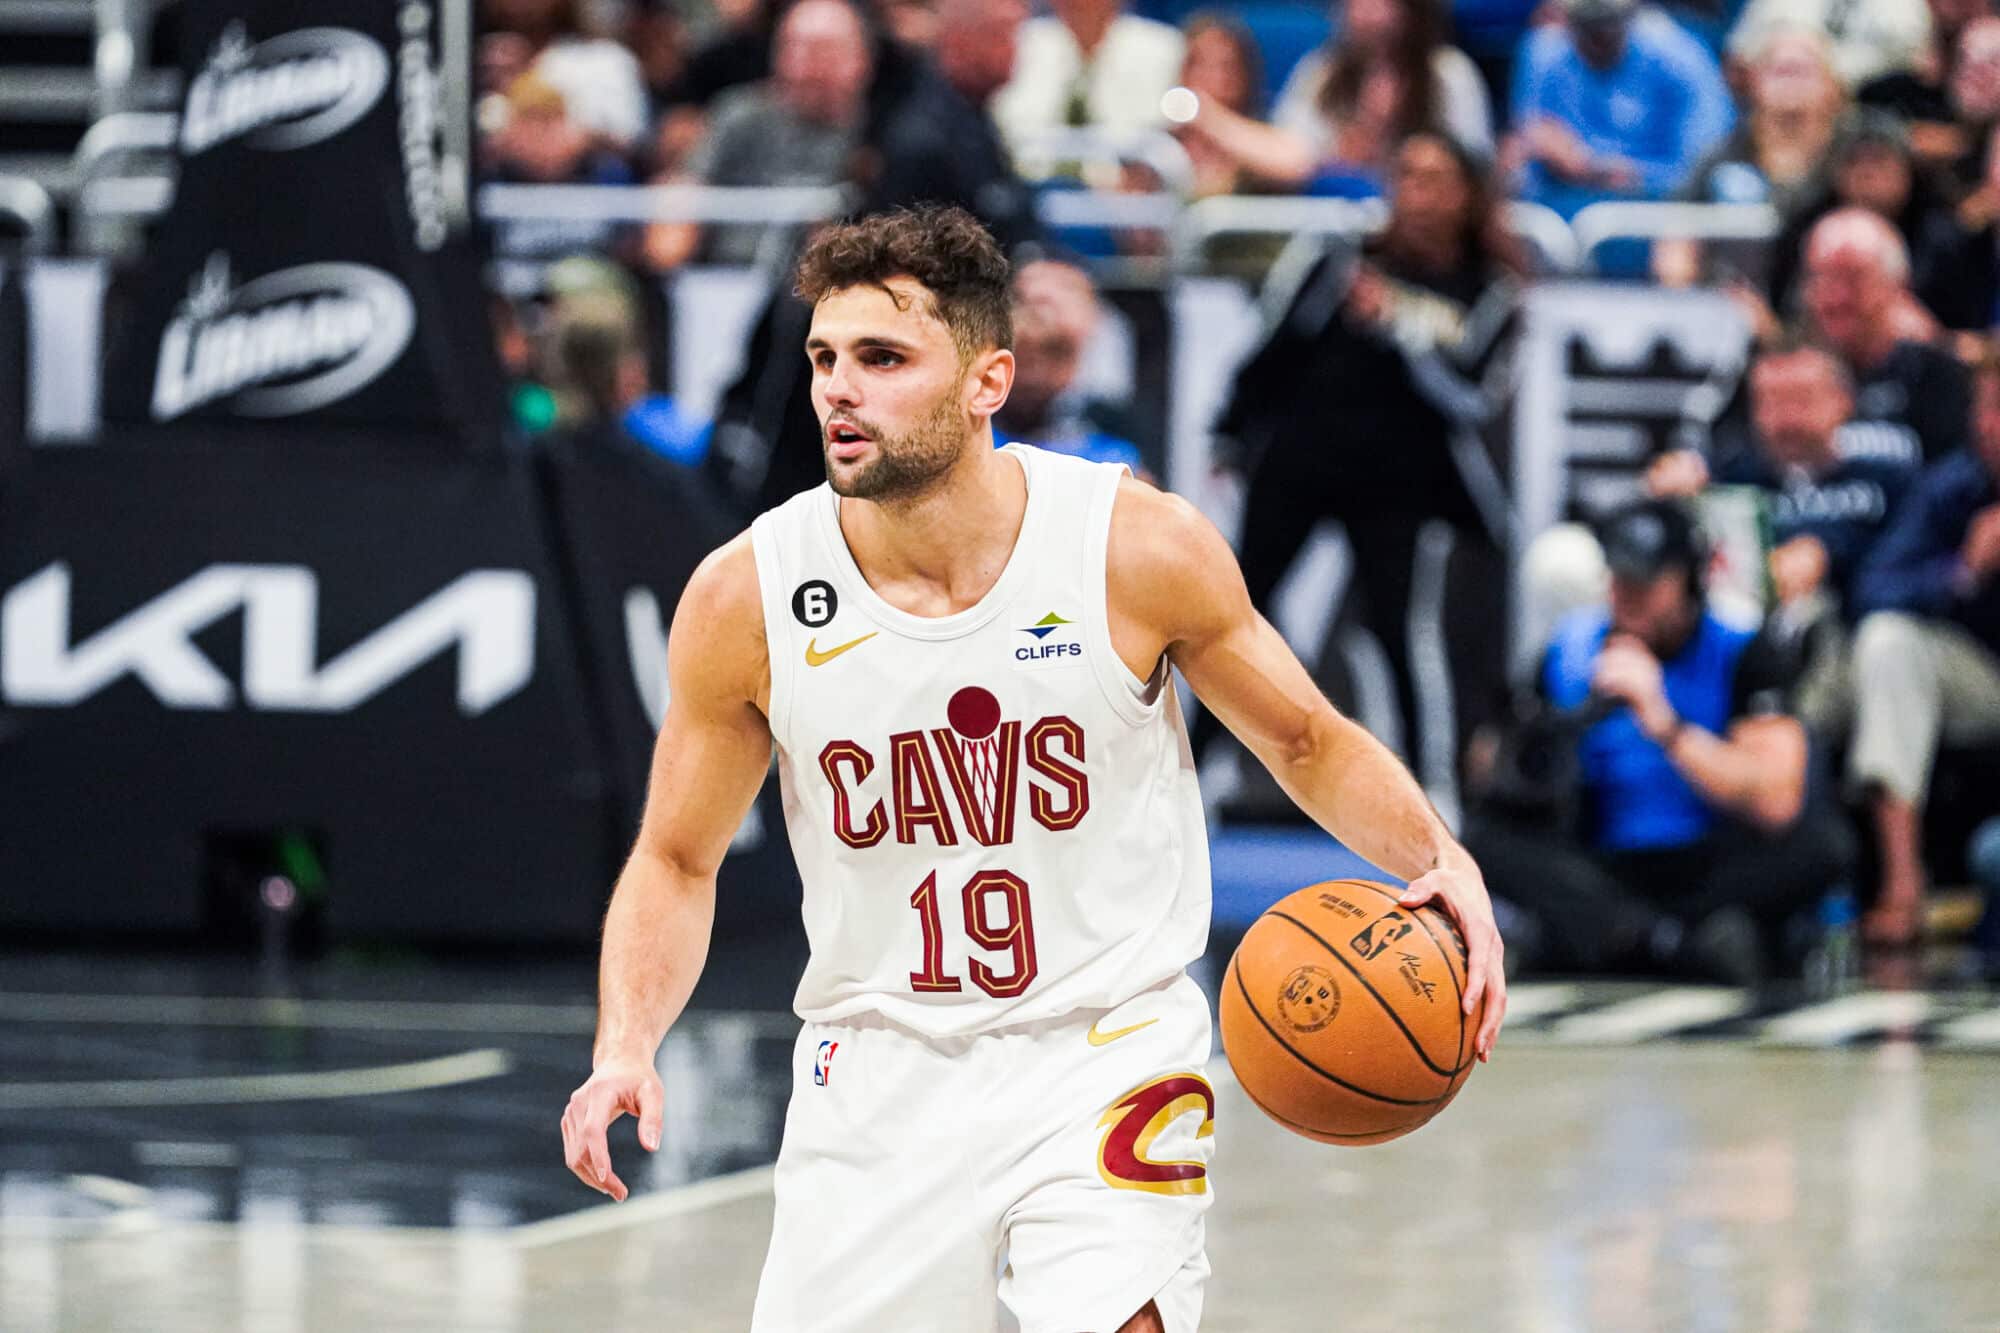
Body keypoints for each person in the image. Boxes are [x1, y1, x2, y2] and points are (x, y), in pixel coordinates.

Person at [558, 205, 1507, 1332]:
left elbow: (1305, 738)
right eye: (823, 358)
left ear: (987, 381)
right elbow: (676, 856)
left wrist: (1439, 858)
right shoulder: (747, 595)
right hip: (876, 1069)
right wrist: (624, 1044)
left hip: (1104, 1048)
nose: (838, 391)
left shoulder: (1131, 545)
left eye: (882, 359)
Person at [1193, 131, 1521, 814]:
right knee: (1234, 615)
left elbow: (1472, 394)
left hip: (1396, 485)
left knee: (1400, 634)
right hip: (1299, 464)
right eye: (1408, 176)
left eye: (1437, 180)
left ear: (1467, 197)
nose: (1419, 196)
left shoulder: (1489, 290)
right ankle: (1191, 772)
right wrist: (1230, 430)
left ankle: (1431, 797)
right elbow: (1275, 344)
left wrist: (1397, 325)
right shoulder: (1338, 257)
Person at [1466, 499, 1854, 984]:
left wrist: (1665, 724)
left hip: (1707, 857)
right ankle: (1666, 943)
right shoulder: (1572, 646)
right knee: (1483, 841)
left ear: (1687, 581)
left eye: (1644, 583)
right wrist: (1530, 745)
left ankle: (1620, 940)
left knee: (1824, 845)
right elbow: (1499, 772)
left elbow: (1777, 802)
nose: (1626, 595)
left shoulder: (1741, 648)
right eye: (1617, 579)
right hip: (1605, 859)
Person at [1644, 340, 1919, 729]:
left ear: (1842, 401)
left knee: (1818, 617)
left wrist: (1828, 553)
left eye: (1800, 400)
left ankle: (1793, 746)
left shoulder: (1886, 474)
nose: (1785, 419)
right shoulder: (1731, 473)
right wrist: (1669, 503)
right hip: (1745, 635)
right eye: (1769, 402)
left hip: (1851, 638)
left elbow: (1912, 556)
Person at [1848, 350, 2000, 946]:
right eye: (1984, 408)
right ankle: (1902, 882)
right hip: (1985, 681)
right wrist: (1961, 572)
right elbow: (1875, 588)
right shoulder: (1954, 485)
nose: (1989, 424)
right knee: (1888, 641)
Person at [642, 0, 875, 270]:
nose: (805, 64)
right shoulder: (741, 115)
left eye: (822, 49)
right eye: (793, 46)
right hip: (726, 271)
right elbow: (687, 186)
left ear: (861, 59)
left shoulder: (882, 130)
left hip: (828, 274)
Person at [1655, 27, 1844, 288]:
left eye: (1802, 71)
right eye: (1780, 71)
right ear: (1754, 81)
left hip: (1827, 297)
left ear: (1832, 86)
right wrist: (1681, 291)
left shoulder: (1849, 157)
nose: (1791, 83)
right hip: (1729, 296)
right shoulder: (1721, 155)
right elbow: (1677, 235)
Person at [1506, 0, 1734, 215]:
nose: (1597, 38)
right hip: (1560, 212)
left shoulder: (1683, 59)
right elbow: (1522, 168)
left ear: (1632, 15)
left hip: (1657, 211)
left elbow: (1706, 167)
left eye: (1607, 23)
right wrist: (1524, 154)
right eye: (1585, 25)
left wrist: (1618, 173)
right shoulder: (1542, 52)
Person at [990, 0, 1185, 177]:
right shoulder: (1022, 42)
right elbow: (1008, 126)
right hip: (1028, 184)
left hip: (1134, 191)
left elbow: (1162, 134)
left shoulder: (1163, 48)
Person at [992, 259, 1146, 471]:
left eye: (1055, 352)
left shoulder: (1111, 443)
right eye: (1025, 356)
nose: (1035, 373)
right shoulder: (973, 434)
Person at [1726, 0, 1931, 92]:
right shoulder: (1775, 5)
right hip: (1781, 108)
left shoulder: (1905, 8)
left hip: (1869, 116)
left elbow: (1921, 67)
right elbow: (1737, 65)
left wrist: (1829, 76)